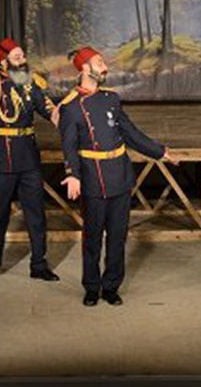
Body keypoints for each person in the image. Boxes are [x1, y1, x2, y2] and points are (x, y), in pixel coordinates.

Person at [58, 46, 177, 306]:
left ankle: (111, 286)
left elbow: (130, 133)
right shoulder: (71, 107)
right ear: (85, 68)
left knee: (117, 238)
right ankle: (92, 287)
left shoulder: (111, 98)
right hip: (93, 179)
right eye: (100, 63)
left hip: (120, 177)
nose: (105, 67)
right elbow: (68, 146)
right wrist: (72, 174)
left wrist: (159, 151)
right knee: (92, 239)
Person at [0, 38, 60, 283]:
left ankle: (39, 264)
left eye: (23, 55)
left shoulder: (29, 80)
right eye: (17, 57)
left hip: (29, 157)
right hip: (2, 157)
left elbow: (45, 107)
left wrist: (60, 116)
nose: (22, 60)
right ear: (3, 62)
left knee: (36, 214)